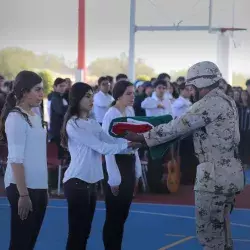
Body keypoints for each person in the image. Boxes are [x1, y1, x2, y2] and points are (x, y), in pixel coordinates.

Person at [124, 61, 245, 250]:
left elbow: (178, 126)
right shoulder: (226, 100)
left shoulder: (208, 103)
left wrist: (143, 138)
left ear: (200, 84)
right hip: (230, 172)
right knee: (222, 233)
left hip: (213, 175)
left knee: (210, 238)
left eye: (191, 86)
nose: (190, 91)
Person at [60, 82, 140, 250]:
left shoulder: (92, 122)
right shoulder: (73, 124)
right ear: (77, 99)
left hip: (90, 183)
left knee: (85, 232)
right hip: (76, 181)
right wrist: (129, 144)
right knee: (77, 233)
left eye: (92, 96)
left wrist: (133, 141)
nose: (92, 100)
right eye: (87, 96)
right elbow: (102, 147)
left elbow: (110, 140)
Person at [0, 71, 48, 250]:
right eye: (37, 90)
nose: (41, 94)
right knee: (21, 243)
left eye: (42, 89)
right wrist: (24, 194)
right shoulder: (15, 118)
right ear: (24, 91)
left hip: (38, 187)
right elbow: (15, 160)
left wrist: (43, 188)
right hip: (22, 188)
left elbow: (37, 155)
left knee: (29, 242)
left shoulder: (35, 117)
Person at [102, 80, 142, 250]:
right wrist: (113, 177)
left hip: (129, 162)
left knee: (123, 213)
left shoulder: (130, 111)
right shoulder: (111, 115)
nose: (133, 96)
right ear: (118, 95)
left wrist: (138, 168)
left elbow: (135, 140)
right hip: (116, 164)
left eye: (133, 93)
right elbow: (107, 147)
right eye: (128, 93)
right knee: (114, 215)